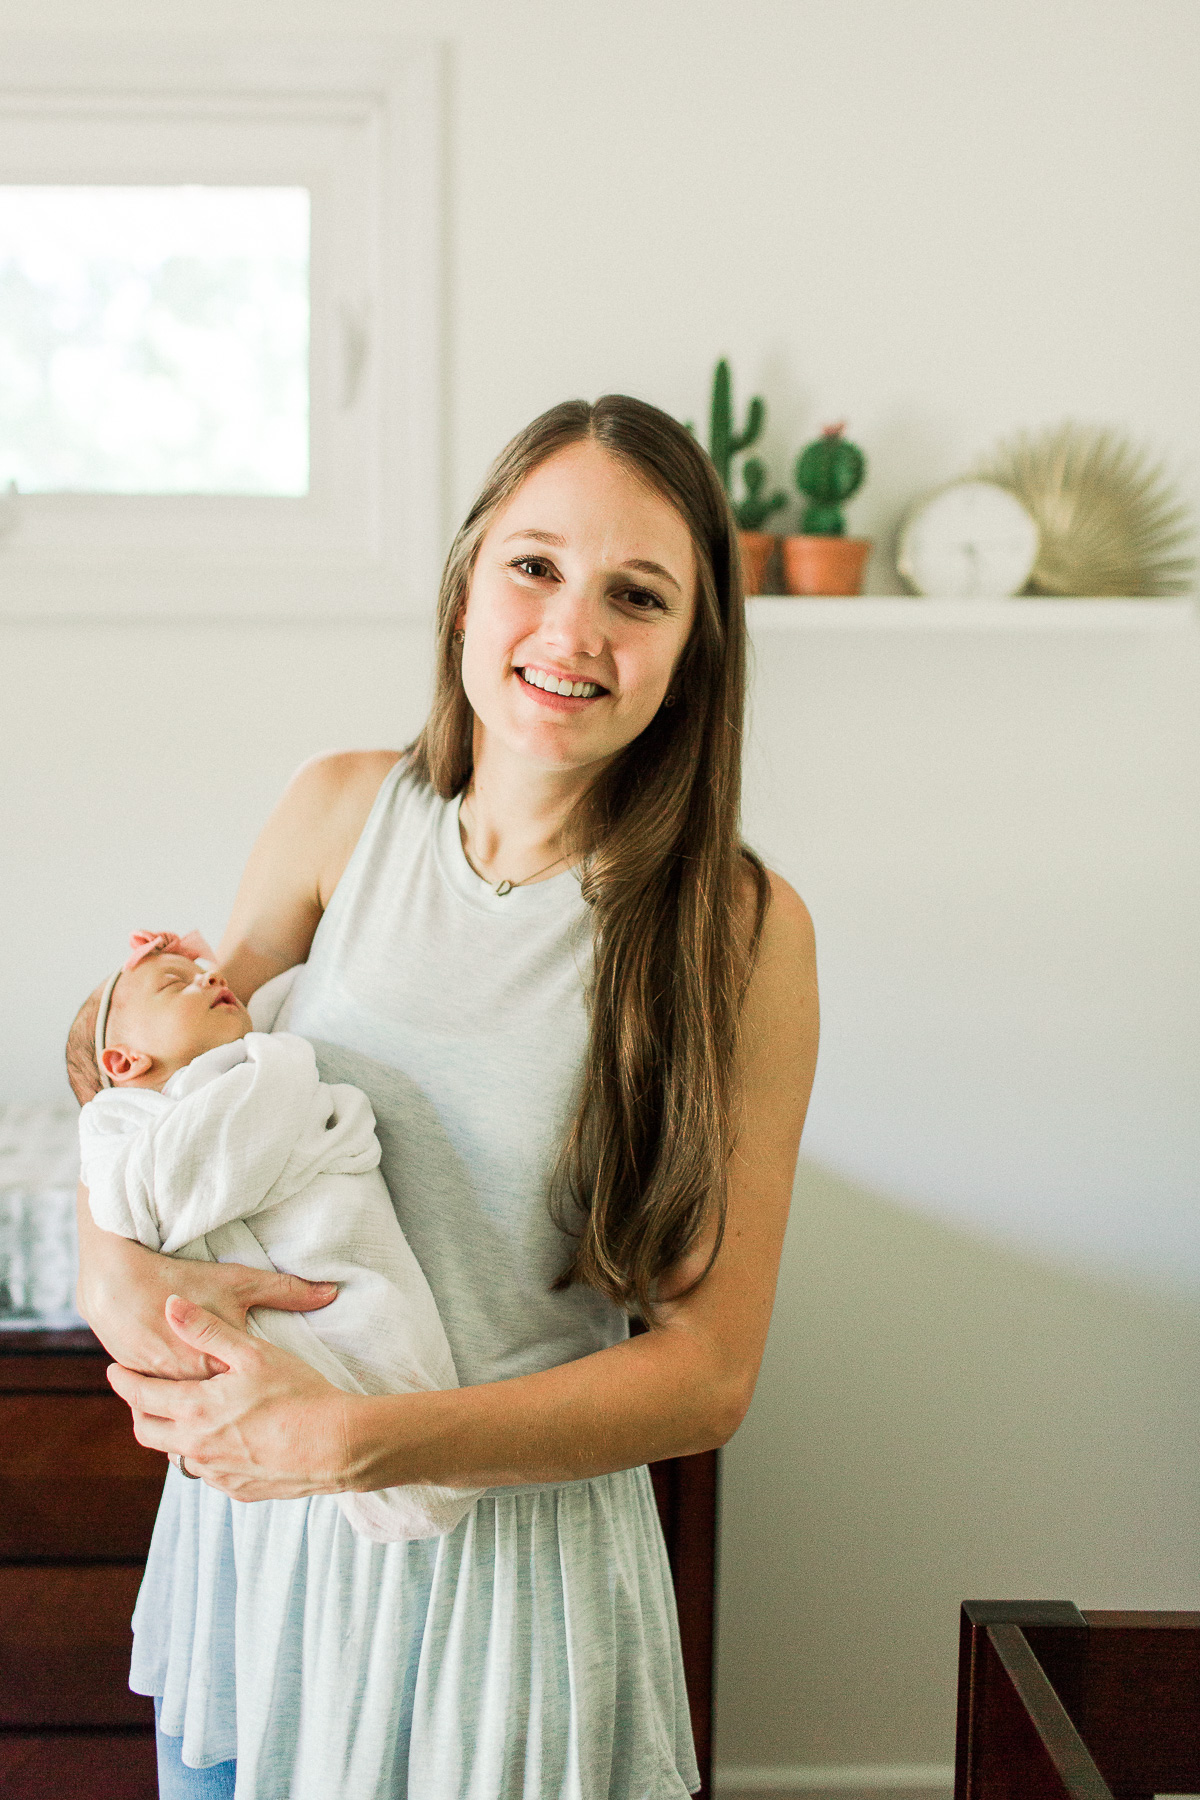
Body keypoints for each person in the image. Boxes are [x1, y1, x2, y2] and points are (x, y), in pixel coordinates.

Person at [75, 394, 820, 1800]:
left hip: (507, 1600)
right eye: (535, 565)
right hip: (269, 1560)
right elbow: (162, 1086)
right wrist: (110, 1272)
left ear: (694, 649)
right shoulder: (342, 810)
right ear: (467, 584)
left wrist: (361, 1440)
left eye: (638, 594)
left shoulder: (739, 928)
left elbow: (708, 1374)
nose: (573, 630)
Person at [69, 931, 476, 1541]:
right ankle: (398, 1473)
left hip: (341, 1255)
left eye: (205, 972)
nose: (210, 977)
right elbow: (137, 1200)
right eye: (175, 983)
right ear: (123, 1062)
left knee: (382, 1334)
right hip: (266, 1307)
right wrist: (280, 1069)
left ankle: (399, 1456)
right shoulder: (123, 1124)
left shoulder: (244, 1069)